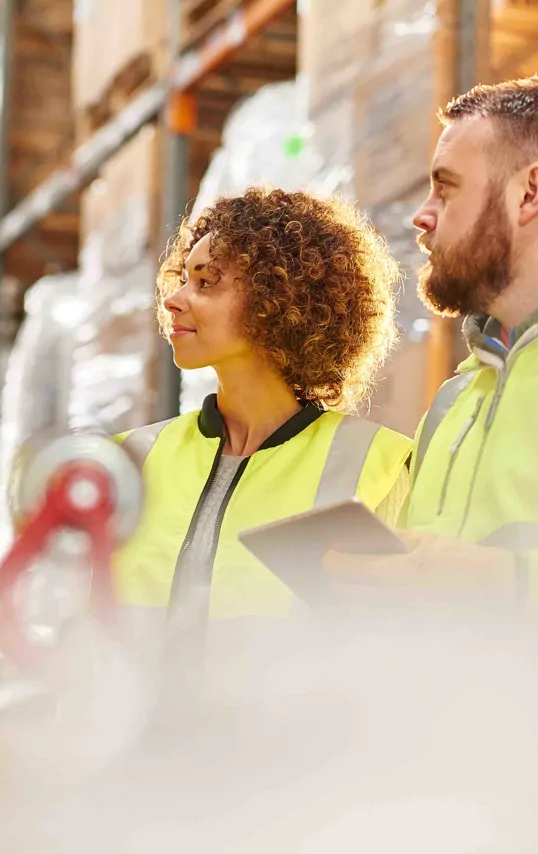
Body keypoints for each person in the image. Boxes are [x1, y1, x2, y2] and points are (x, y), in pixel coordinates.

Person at [112, 187, 411, 657]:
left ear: (280, 297)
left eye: (206, 283)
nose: (174, 300)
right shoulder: (128, 460)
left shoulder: (381, 465)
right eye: (184, 278)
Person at [324, 76, 538, 607]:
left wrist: (503, 582)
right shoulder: (452, 402)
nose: (422, 214)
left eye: (446, 186)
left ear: (529, 193)